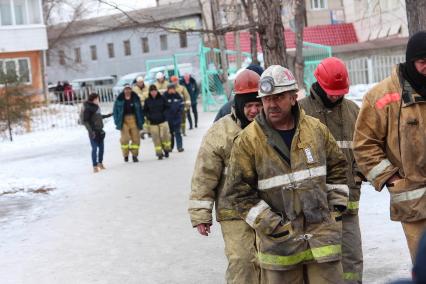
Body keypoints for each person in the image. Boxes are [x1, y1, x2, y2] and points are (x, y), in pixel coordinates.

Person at [224, 65, 349, 284]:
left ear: (293, 97)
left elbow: (338, 167)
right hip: (280, 246)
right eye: (266, 98)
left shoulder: (315, 130)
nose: (271, 104)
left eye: (279, 97)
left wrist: (335, 208)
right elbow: (238, 193)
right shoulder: (248, 141)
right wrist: (272, 225)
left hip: (322, 241)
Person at [353, 30, 426, 262]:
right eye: (424, 62)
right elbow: (364, 145)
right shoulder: (382, 97)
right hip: (413, 202)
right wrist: (391, 178)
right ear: (410, 61)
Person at [188, 69, 263, 284]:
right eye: (249, 105)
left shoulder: (272, 128)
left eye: (258, 105)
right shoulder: (220, 132)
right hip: (233, 211)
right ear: (239, 105)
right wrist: (201, 214)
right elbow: (204, 174)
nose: (254, 111)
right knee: (242, 261)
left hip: (268, 209)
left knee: (270, 263)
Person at [299, 57, 363, 284]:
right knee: (319, 262)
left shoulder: (353, 111)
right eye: (331, 91)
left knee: (351, 259)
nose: (336, 96)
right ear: (318, 84)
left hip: (348, 204)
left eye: (340, 91)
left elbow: (365, 148)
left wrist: (359, 174)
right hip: (313, 207)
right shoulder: (301, 112)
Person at [113, 84, 144, 162]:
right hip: (124, 121)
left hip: (134, 119)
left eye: (129, 89)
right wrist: (117, 121)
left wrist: (142, 120)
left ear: (131, 90)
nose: (127, 91)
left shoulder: (136, 98)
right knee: (125, 139)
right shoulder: (119, 99)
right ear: (124, 90)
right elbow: (115, 111)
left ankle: (134, 155)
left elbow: (140, 110)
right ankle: (125, 154)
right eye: (126, 89)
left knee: (136, 138)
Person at [82, 93, 112, 173]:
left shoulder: (96, 107)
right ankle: (94, 166)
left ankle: (100, 163)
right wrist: (91, 131)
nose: (98, 100)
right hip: (93, 132)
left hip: (100, 130)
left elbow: (98, 116)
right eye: (97, 99)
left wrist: (107, 115)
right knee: (94, 148)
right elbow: (85, 121)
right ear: (93, 99)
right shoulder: (88, 108)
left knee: (101, 148)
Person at [143, 85, 172, 160]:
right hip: (153, 123)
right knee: (156, 138)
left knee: (164, 136)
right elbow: (145, 111)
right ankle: (159, 153)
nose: (153, 93)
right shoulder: (147, 100)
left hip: (162, 120)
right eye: (152, 91)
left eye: (154, 91)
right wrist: (149, 116)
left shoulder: (162, 98)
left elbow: (167, 107)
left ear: (157, 91)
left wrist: (165, 115)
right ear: (150, 92)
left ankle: (166, 149)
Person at [163, 83, 184, 152]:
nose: (172, 91)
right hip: (168, 118)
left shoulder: (178, 96)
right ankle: (170, 147)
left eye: (173, 89)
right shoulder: (164, 97)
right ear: (168, 90)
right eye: (170, 89)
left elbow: (181, 105)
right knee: (170, 134)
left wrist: (180, 112)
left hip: (177, 118)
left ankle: (179, 147)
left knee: (178, 132)